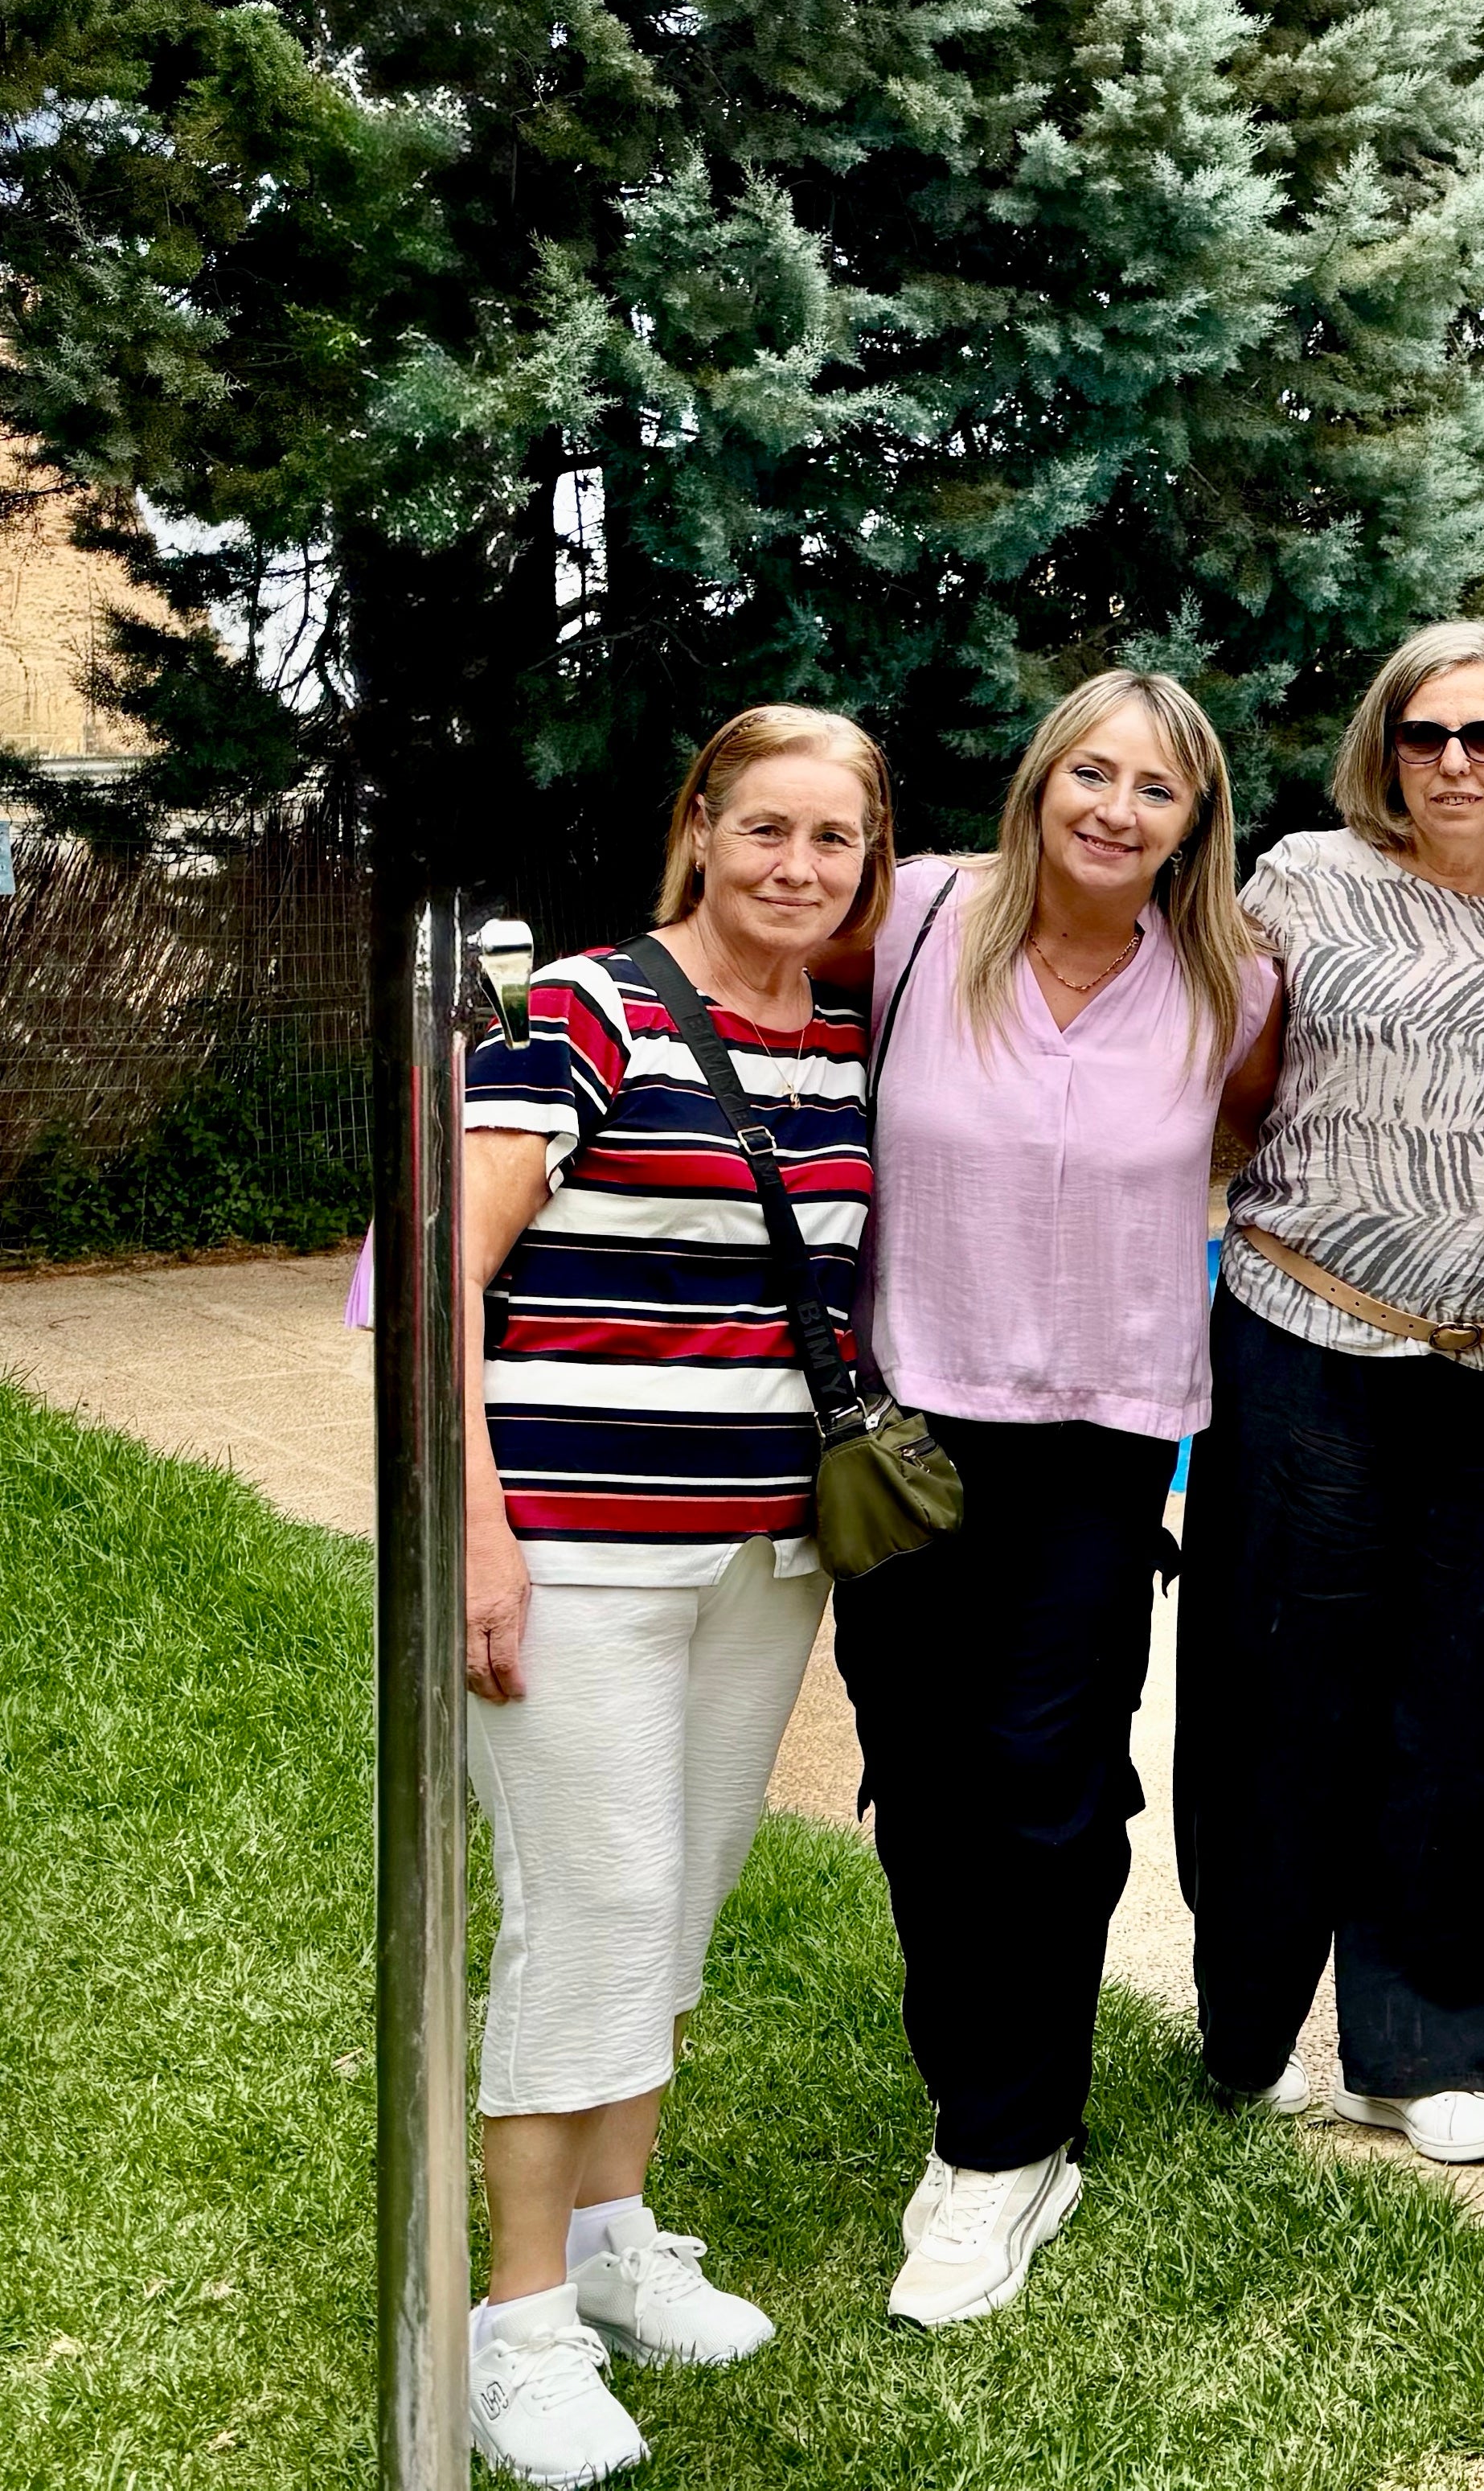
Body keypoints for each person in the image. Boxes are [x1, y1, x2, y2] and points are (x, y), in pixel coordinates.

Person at [453, 706, 891, 2485]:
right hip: (573, 1549)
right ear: (699, 824)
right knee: (593, 1905)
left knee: (685, 1895)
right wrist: (478, 1533)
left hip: (760, 1555)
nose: (798, 867)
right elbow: (434, 1286)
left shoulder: (849, 1040)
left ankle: (622, 2241)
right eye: (766, 829)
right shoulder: (580, 1011)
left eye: (835, 841)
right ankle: (518, 2323)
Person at [844, 671, 1282, 2329]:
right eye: (1087, 772)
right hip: (896, 1428)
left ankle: (1004, 2144)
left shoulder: (1231, 985)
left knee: (1046, 1774)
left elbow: (1236, 1142)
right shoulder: (917, 919)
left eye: (1153, 790)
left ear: (1194, 824)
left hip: (1102, 1440)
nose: (1113, 808)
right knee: (918, 1767)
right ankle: (982, 2079)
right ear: (1038, 783)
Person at [1179, 623, 1484, 2169]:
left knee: (1463, 1704)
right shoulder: (1300, 882)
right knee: (1273, 1684)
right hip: (1303, 1332)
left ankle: (1429, 2045)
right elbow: (1215, 1085)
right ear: (1385, 743)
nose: (1452, 763)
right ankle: (1245, 2028)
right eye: (1425, 734)